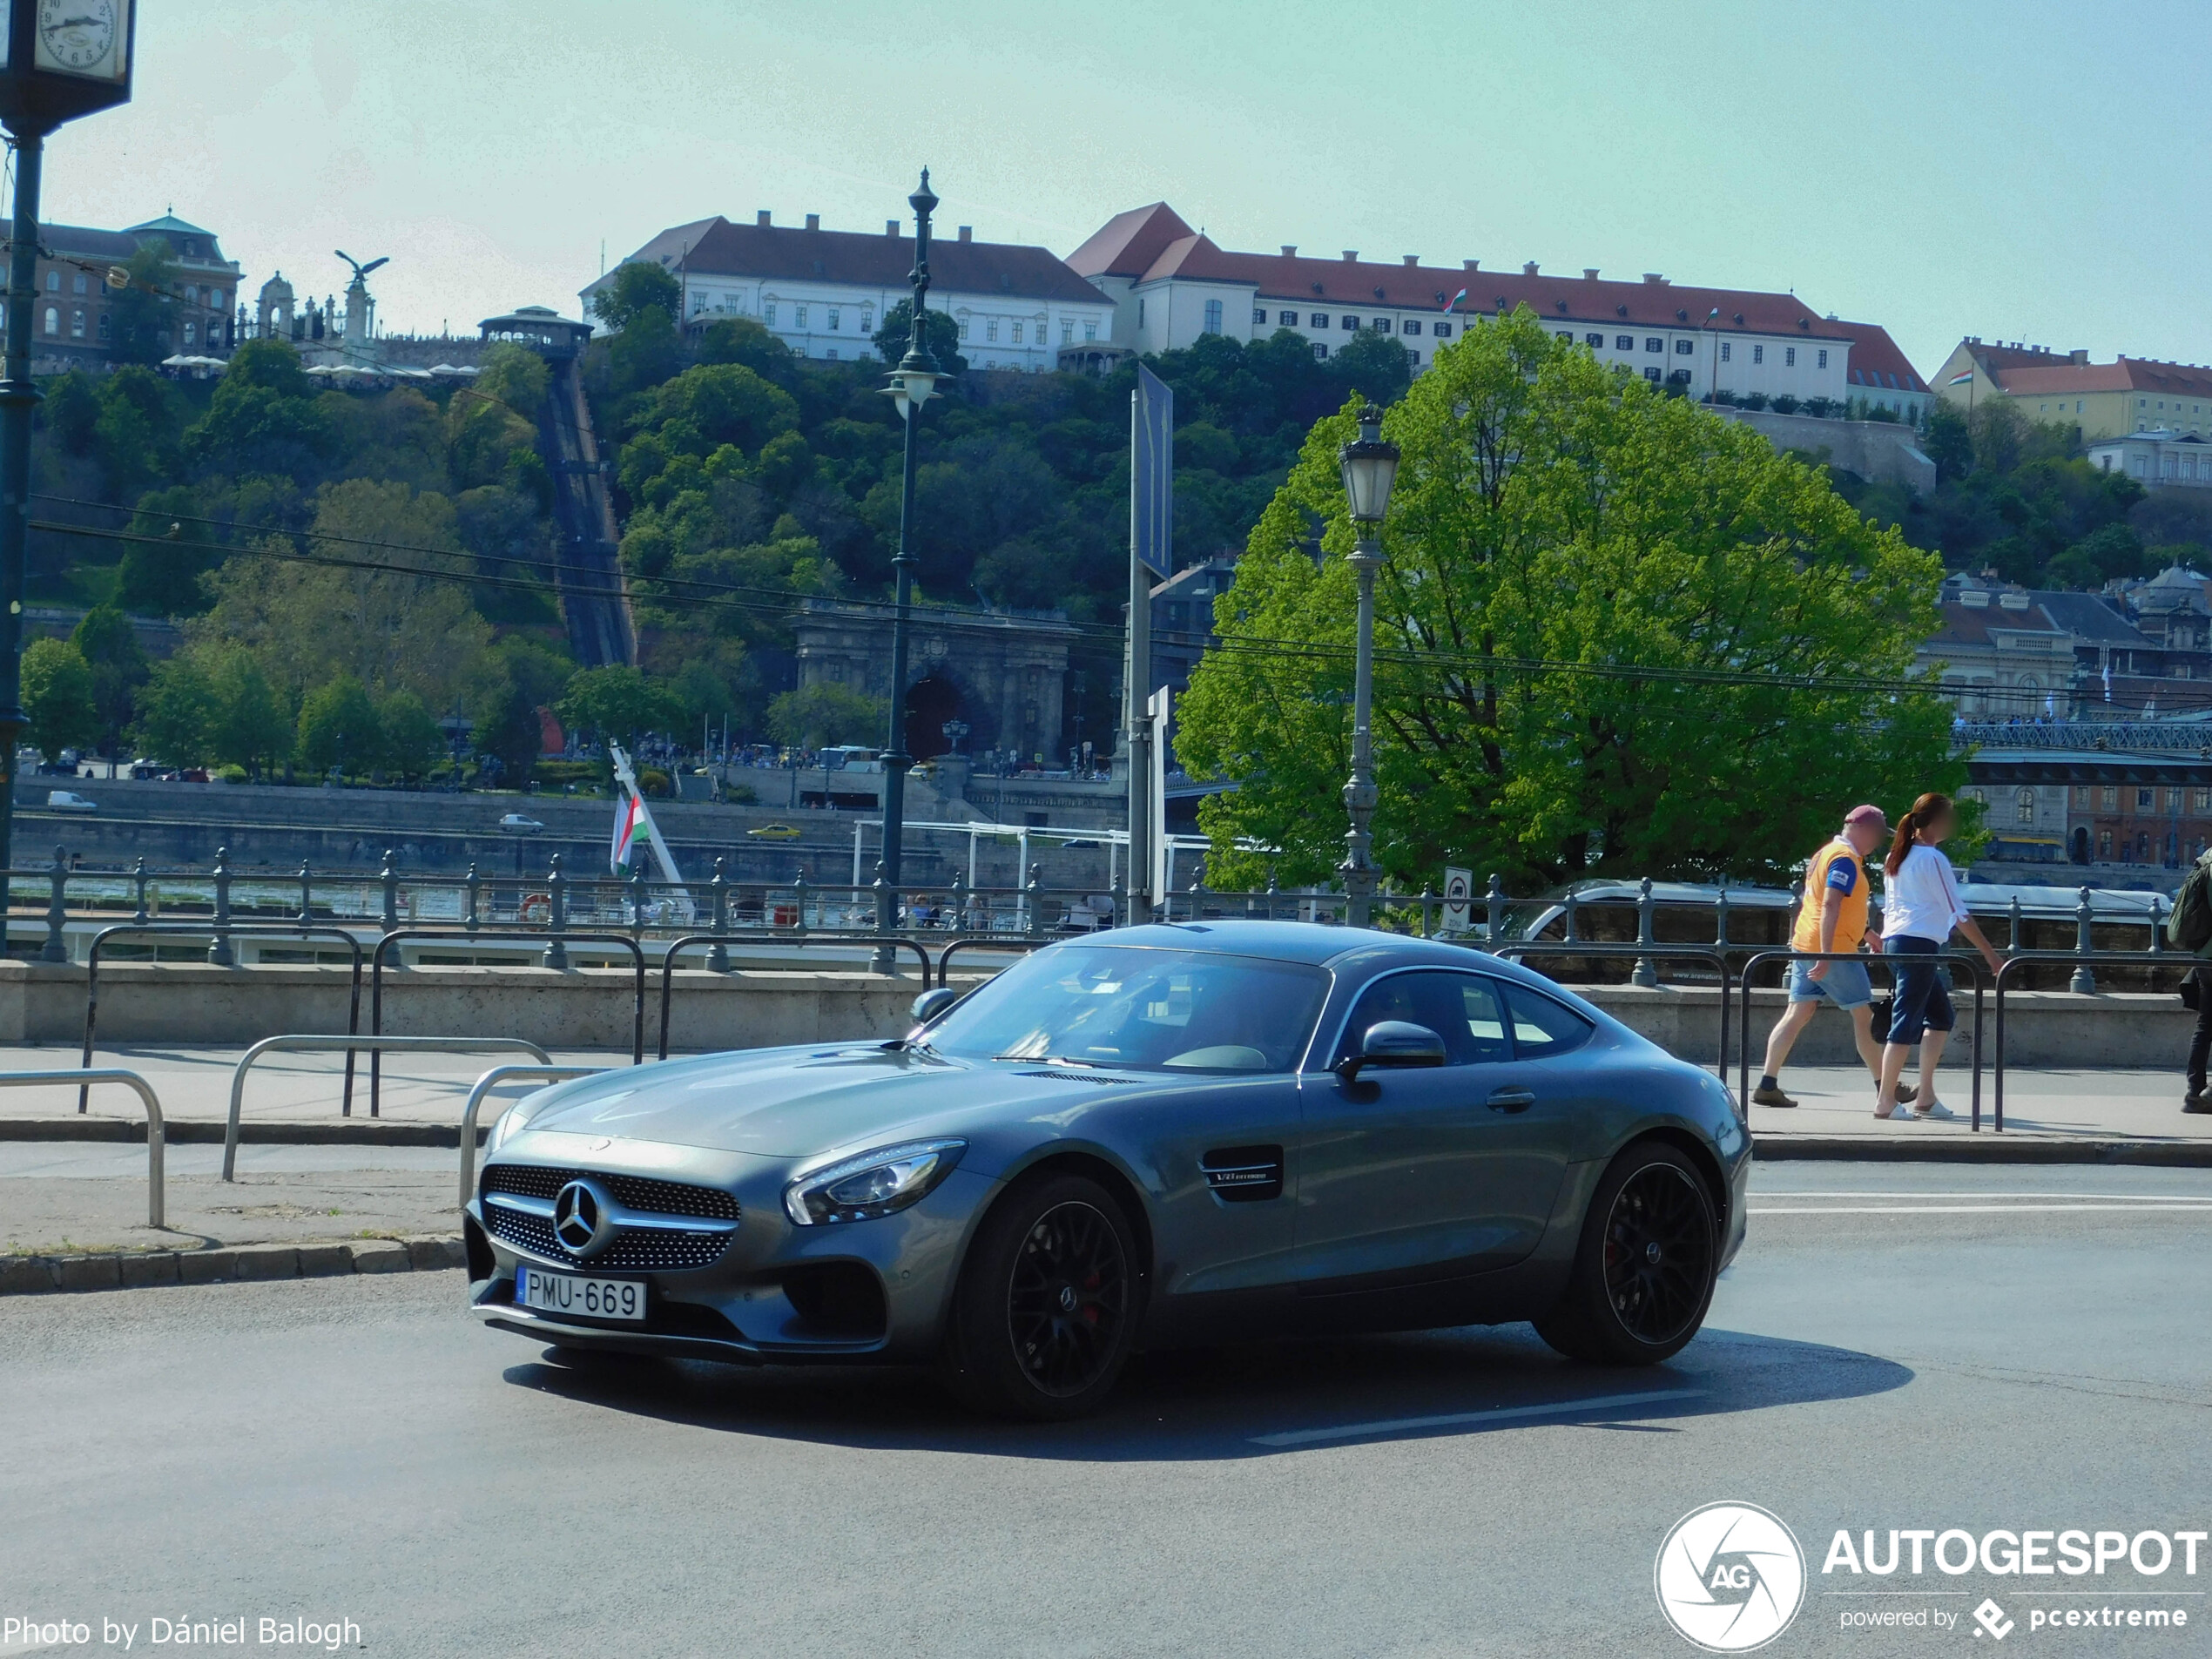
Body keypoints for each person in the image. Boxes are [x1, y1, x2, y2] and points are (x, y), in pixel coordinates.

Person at [1753, 805, 1911, 1109]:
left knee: (1797, 1014)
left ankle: (1767, 1085)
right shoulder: (1845, 860)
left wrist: (1866, 933)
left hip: (1806, 943)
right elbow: (1830, 905)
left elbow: (1829, 903)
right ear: (1862, 829)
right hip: (1834, 950)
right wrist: (1826, 955)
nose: (1879, 842)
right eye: (1878, 834)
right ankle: (1888, 1088)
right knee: (1864, 1017)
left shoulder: (1825, 853)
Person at [1874, 792, 2003, 1121]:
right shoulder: (1932, 859)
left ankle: (1926, 1096)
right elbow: (1958, 913)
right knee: (1905, 1022)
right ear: (1936, 823)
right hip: (1918, 945)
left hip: (1898, 942)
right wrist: (1990, 955)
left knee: (1940, 1015)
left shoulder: (1898, 856)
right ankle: (1886, 1101)